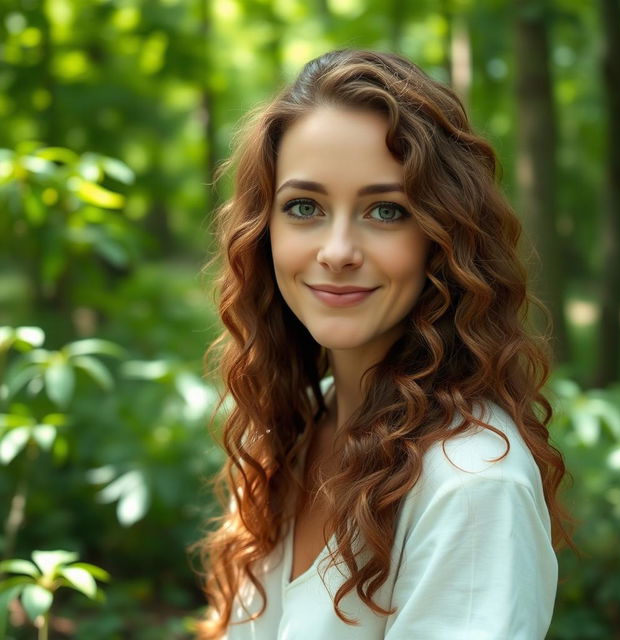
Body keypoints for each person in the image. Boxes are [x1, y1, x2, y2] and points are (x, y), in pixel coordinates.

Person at [196, 48, 573, 640]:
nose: (338, 250)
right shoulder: (296, 431)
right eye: (304, 207)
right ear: (262, 233)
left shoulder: (470, 482)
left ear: (442, 239)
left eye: (385, 210)